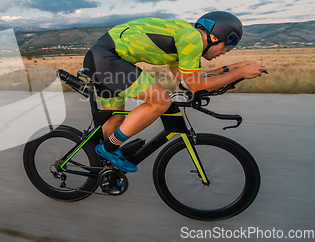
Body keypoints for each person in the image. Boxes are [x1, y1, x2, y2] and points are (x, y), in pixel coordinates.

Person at [83, 11, 268, 172]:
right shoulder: (192, 39)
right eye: (230, 42)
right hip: (107, 59)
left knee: (115, 118)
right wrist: (241, 72)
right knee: (161, 101)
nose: (226, 50)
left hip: (99, 57)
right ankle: (108, 148)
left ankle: (104, 168)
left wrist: (236, 68)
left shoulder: (185, 38)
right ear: (214, 36)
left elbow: (191, 78)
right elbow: (196, 85)